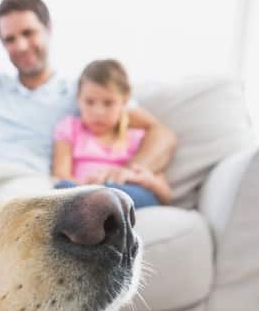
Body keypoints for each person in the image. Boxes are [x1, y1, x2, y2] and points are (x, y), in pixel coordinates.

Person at [0, 0, 177, 198]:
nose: (21, 46)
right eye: (10, 39)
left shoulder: (82, 94)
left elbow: (162, 134)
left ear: (49, 28)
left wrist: (127, 173)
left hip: (21, 183)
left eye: (28, 33)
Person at [52, 59, 171, 207]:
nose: (98, 112)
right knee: (62, 187)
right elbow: (61, 174)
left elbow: (165, 195)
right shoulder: (69, 127)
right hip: (84, 190)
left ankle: (105, 202)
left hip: (126, 192)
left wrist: (147, 180)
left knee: (135, 194)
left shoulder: (136, 137)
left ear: (125, 101)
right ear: (78, 98)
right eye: (89, 102)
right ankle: (100, 200)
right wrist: (87, 186)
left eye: (108, 103)